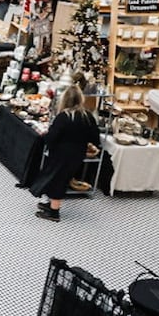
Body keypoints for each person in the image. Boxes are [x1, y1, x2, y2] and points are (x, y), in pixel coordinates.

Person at [28, 85, 100, 223]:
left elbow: (52, 137)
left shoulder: (63, 117)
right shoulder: (87, 116)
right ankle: (51, 205)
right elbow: (94, 137)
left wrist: (47, 141)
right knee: (62, 178)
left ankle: (54, 212)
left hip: (61, 154)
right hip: (77, 154)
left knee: (57, 181)